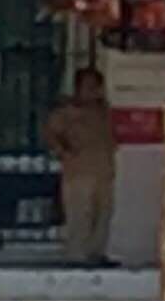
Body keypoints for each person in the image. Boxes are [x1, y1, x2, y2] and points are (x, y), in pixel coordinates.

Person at [44, 68, 116, 266]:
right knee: (79, 215)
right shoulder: (67, 112)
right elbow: (51, 136)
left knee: (102, 214)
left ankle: (97, 254)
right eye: (88, 87)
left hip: (104, 171)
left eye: (96, 87)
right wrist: (64, 152)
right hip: (78, 171)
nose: (93, 92)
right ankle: (77, 256)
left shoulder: (103, 111)